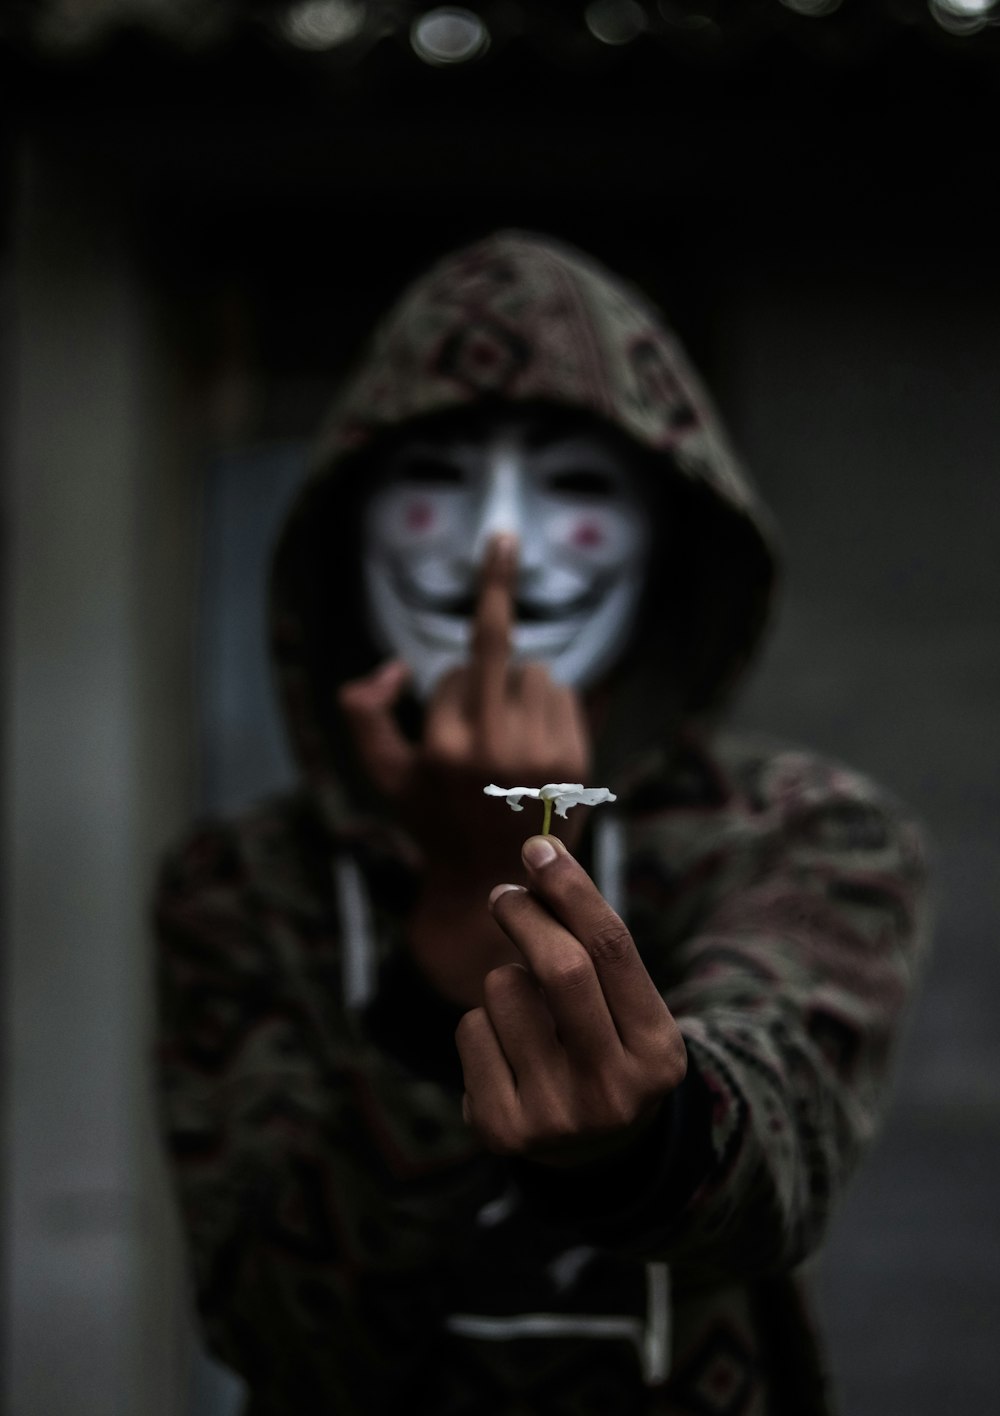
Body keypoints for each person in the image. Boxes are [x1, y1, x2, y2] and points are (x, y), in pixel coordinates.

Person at [155, 231, 929, 1415]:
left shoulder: (800, 832)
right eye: (434, 488)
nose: (496, 550)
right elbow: (279, 1325)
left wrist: (635, 1136)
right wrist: (458, 917)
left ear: (666, 542)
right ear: (347, 539)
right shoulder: (246, 881)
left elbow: (782, 1155)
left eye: (573, 487)